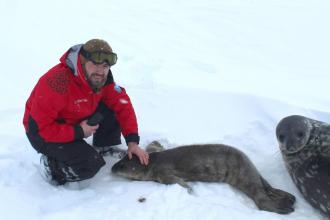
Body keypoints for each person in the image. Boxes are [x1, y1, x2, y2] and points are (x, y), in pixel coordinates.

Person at [23, 39, 149, 185]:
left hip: (76, 118)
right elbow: (39, 129)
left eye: (105, 66)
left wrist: (132, 142)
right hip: (43, 134)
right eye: (95, 65)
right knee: (89, 164)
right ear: (82, 62)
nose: (100, 72)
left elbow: (123, 104)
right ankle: (51, 166)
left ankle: (104, 145)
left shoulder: (101, 80)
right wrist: (78, 131)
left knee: (114, 104)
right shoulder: (57, 83)